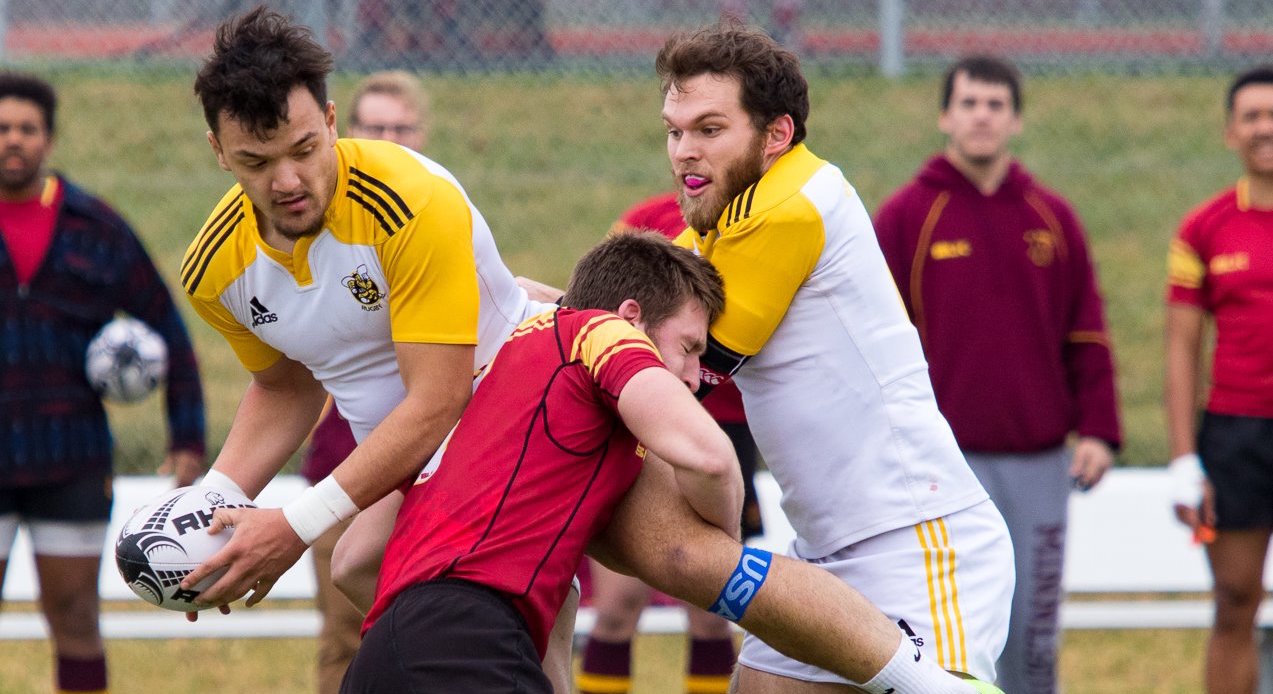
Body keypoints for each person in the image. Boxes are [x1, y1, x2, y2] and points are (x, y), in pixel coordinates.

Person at [346, 230, 1002, 694]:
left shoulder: (495, 370)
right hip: (468, 644)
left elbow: (354, 561)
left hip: (382, 653)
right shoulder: (599, 334)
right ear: (632, 317)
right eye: (689, 348)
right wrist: (719, 535)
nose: (695, 376)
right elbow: (711, 459)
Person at [176, 8, 575, 691]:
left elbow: (437, 400)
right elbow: (286, 386)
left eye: (304, 148)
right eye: (255, 161)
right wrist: (207, 508)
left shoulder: (409, 200)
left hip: (517, 411)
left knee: (681, 562)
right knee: (366, 572)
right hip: (417, 460)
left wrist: (293, 525)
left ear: (332, 122)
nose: (287, 181)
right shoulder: (215, 270)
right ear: (217, 150)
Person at [659, 23, 1015, 691]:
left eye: (709, 129)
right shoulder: (746, 205)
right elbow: (625, 312)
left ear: (775, 135)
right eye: (675, 130)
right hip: (828, 552)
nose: (684, 151)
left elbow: (669, 373)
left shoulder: (783, 210)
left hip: (916, 543)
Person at [873, 55, 1121, 694]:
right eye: (969, 103)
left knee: (1033, 625)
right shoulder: (907, 217)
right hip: (939, 463)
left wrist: (1098, 429)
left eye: (995, 105)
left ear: (1014, 119)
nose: (981, 116)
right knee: (945, 625)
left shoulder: (1052, 218)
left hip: (1038, 461)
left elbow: (1087, 330)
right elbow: (872, 341)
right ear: (944, 116)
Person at [0, 71, 206, 693]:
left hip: (72, 459)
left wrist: (188, 437)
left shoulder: (96, 227)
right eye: (2, 128)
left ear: (49, 139)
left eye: (27, 129)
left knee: (75, 617)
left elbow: (167, 327)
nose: (13, 139)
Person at [578, 193, 761, 694]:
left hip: (723, 428)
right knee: (615, 607)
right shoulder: (644, 222)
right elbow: (601, 307)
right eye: (680, 135)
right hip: (635, 416)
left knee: (711, 608)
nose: (691, 159)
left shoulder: (761, 225)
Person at [297, 68, 432, 694]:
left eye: (401, 127)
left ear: (423, 135)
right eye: (374, 127)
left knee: (439, 640)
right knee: (346, 640)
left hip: (436, 471)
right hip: (343, 469)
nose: (388, 137)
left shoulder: (442, 218)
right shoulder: (308, 223)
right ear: (342, 131)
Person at [1166, 64, 1273, 694]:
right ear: (1231, 132)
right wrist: (1184, 461)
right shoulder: (1203, 229)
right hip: (1236, 437)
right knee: (1235, 602)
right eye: (1252, 116)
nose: (1266, 128)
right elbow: (1181, 348)